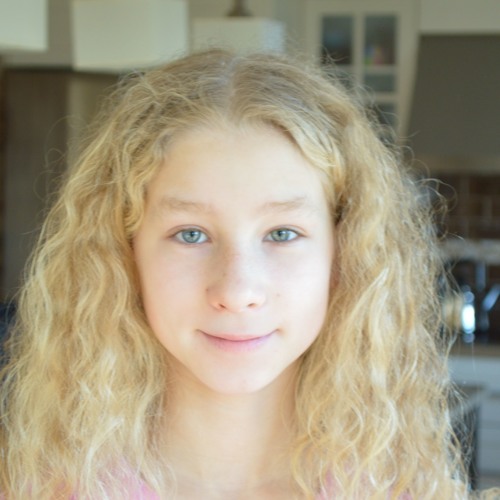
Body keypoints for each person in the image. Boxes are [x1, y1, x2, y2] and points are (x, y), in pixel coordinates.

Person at [0, 49, 498, 499]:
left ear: (344, 256)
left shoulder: (409, 493)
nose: (237, 291)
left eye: (282, 233)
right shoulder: (34, 487)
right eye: (190, 234)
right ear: (125, 255)